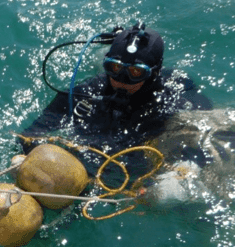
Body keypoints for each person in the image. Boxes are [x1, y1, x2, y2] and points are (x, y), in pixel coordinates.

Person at [20, 24, 212, 161]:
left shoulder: (174, 96)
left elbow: (211, 129)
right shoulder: (86, 93)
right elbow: (31, 134)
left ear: (154, 73)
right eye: (113, 68)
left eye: (135, 73)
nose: (121, 79)